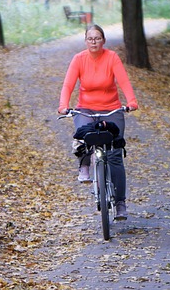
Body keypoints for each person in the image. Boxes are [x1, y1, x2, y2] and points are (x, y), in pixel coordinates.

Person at [58, 24, 138, 220]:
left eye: (97, 38)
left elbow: (123, 81)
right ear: (86, 41)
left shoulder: (111, 57)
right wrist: (63, 105)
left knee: (115, 155)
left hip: (111, 109)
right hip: (86, 108)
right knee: (84, 135)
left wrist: (132, 101)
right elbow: (68, 84)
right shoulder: (79, 59)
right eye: (90, 38)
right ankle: (84, 165)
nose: (94, 42)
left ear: (103, 41)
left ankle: (120, 203)